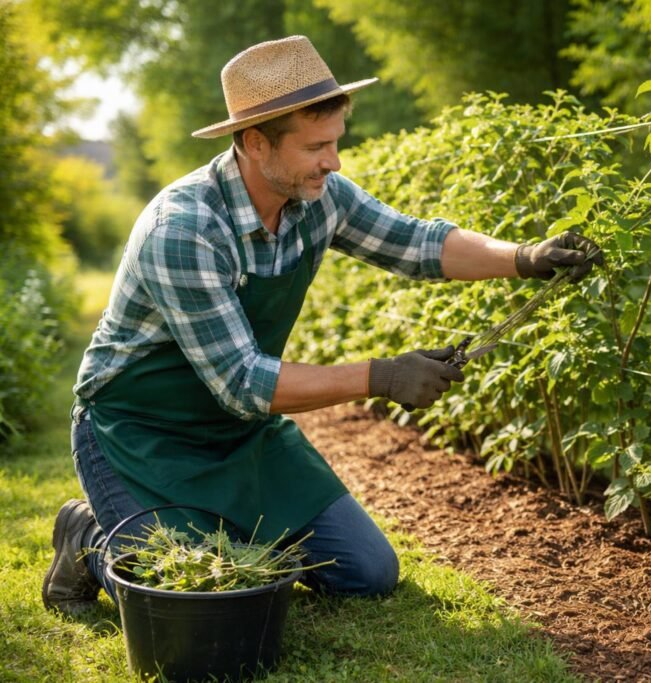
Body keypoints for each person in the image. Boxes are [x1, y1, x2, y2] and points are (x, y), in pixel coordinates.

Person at [42, 35, 602, 615]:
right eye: (316, 147)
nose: (332, 162)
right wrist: (381, 376)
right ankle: (87, 536)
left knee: (368, 573)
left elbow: (415, 242)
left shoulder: (320, 198)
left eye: (335, 143)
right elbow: (245, 384)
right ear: (255, 142)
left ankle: (219, 537)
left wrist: (524, 257)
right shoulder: (184, 230)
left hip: (239, 432)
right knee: (197, 596)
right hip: (140, 432)